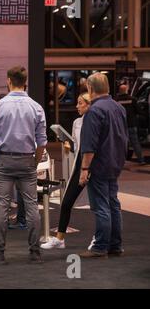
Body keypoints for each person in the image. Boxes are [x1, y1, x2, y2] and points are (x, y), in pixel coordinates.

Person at [0, 66, 47, 265]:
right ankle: (35, 252)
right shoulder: (36, 107)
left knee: (2, 207)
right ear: (25, 82)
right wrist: (35, 161)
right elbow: (42, 141)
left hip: (4, 160)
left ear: (8, 81)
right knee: (31, 207)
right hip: (27, 160)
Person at [78, 73, 128, 258]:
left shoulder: (94, 111)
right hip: (115, 162)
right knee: (113, 204)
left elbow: (90, 145)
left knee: (101, 206)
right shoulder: (118, 107)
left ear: (90, 89)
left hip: (99, 165)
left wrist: (84, 169)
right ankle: (115, 245)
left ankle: (100, 246)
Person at [41, 93, 91, 249]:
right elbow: (78, 146)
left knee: (102, 205)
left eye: (80, 103)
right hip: (80, 166)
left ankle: (107, 240)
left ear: (89, 105)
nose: (77, 106)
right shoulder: (77, 122)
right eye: (77, 102)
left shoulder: (96, 120)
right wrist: (70, 147)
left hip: (95, 166)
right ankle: (60, 238)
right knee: (67, 202)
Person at [114, 82, 146, 165]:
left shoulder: (116, 100)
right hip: (132, 124)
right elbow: (139, 111)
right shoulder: (132, 99)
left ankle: (120, 161)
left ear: (119, 91)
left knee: (121, 144)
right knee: (135, 143)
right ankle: (141, 160)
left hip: (120, 125)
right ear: (126, 90)